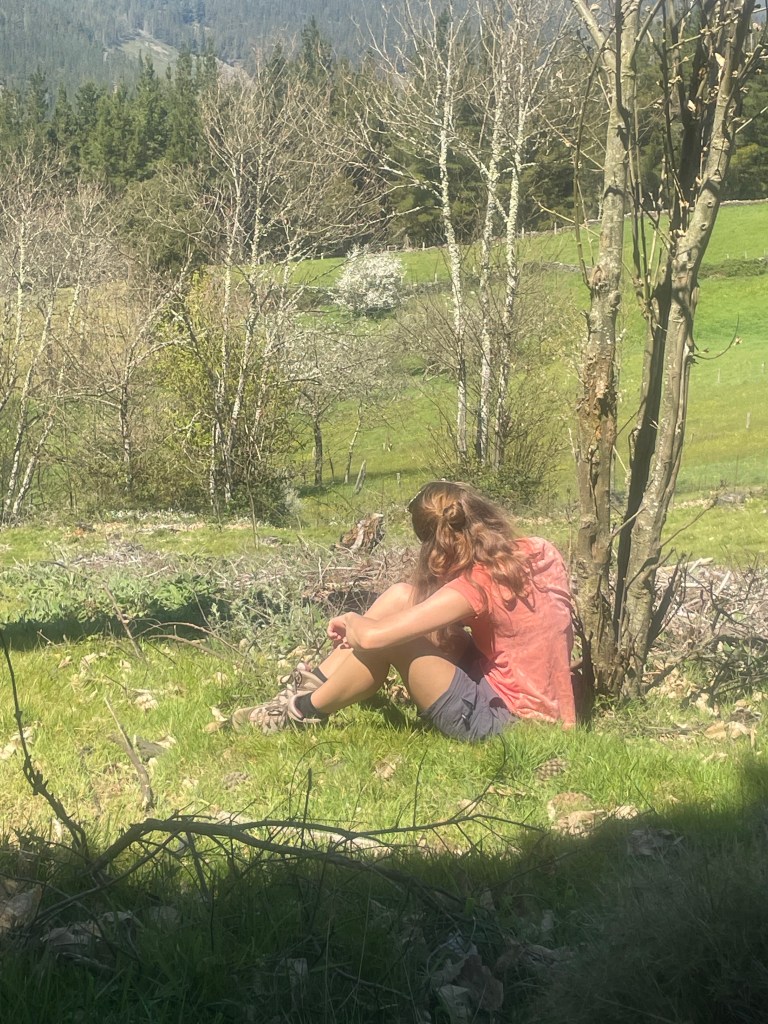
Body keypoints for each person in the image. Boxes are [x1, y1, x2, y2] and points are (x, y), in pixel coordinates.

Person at [229, 481, 576, 740]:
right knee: (400, 596)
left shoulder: (474, 586)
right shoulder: (541, 550)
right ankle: (305, 688)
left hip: (507, 721)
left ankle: (300, 712)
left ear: (435, 543)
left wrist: (350, 619)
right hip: (542, 705)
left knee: (390, 640)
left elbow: (372, 637)